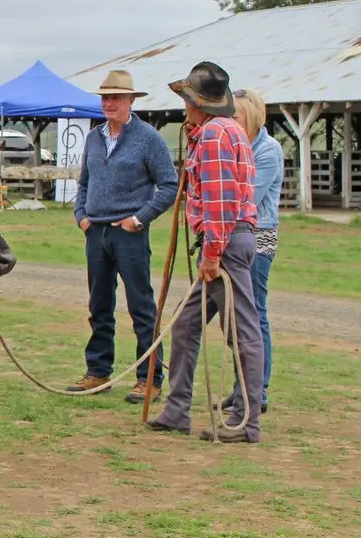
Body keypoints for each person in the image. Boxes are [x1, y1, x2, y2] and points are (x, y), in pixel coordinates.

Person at [146, 61, 265, 443]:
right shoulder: (224, 131)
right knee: (186, 324)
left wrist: (212, 253)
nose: (184, 106)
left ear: (196, 103)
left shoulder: (214, 136)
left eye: (186, 99)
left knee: (242, 330)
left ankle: (247, 422)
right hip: (231, 239)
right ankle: (177, 409)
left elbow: (220, 202)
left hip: (225, 243)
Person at [69, 69, 179, 403]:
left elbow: (170, 185)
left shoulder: (148, 138)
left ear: (131, 100)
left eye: (116, 97)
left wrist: (139, 219)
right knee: (99, 304)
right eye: (105, 97)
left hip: (129, 234)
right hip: (96, 231)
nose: (109, 103)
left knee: (141, 307)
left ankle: (149, 378)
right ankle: (98, 370)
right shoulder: (93, 137)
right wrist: (81, 216)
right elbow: (84, 182)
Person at [218, 87, 281, 414]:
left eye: (236, 114)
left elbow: (247, 199)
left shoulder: (267, 151)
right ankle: (242, 386)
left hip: (257, 238)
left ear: (252, 116)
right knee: (236, 317)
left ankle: (258, 390)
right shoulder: (235, 148)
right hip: (235, 236)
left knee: (254, 313)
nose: (230, 120)